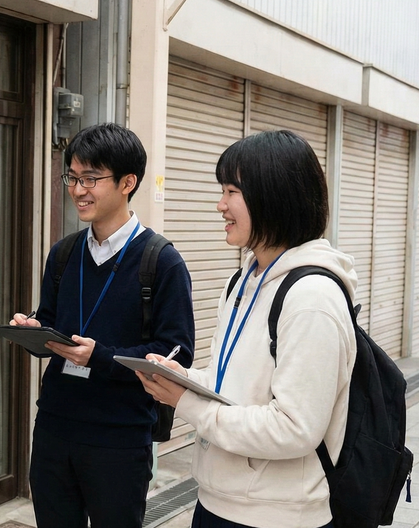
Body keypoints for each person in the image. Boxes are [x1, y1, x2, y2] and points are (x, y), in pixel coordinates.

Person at [138, 129, 357, 528]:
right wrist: (187, 379)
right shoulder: (242, 282)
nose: (220, 205)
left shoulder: (313, 297)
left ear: (273, 196)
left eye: (231, 192)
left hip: (278, 517)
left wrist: (185, 404)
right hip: (217, 501)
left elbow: (295, 429)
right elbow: (235, 386)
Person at [10, 123, 195, 528]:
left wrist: (102, 358)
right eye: (73, 178)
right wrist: (33, 329)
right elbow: (53, 323)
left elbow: (174, 353)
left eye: (91, 179)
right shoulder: (63, 254)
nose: (78, 190)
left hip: (120, 436)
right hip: (55, 428)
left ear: (128, 182)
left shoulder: (161, 261)